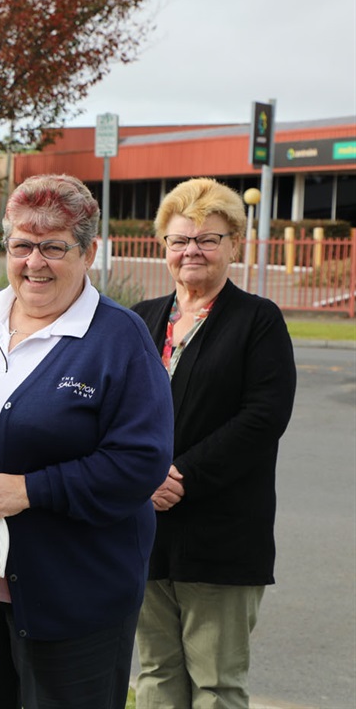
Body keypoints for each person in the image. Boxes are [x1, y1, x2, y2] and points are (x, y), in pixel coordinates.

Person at [0, 174, 174, 709]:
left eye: (53, 246)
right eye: (22, 245)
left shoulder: (118, 339)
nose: (34, 262)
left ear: (88, 253)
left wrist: (32, 490)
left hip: (72, 594)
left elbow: (141, 461)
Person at [132, 177, 296, 709]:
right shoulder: (141, 320)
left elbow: (263, 417)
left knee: (217, 683)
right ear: (164, 248)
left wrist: (183, 476)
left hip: (222, 533)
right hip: (145, 528)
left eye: (208, 239)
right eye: (180, 240)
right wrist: (138, 478)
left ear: (234, 246)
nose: (192, 251)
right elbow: (112, 413)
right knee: (156, 674)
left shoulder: (258, 321)